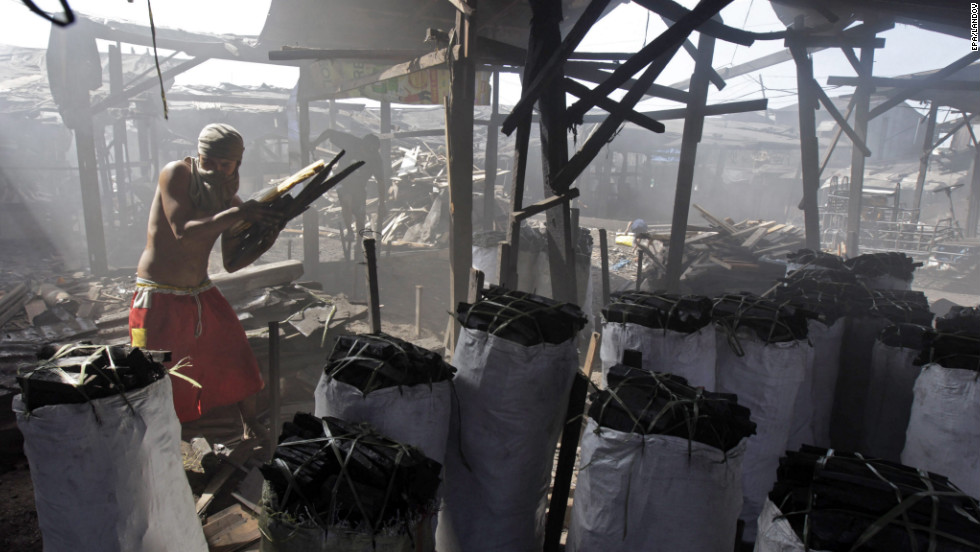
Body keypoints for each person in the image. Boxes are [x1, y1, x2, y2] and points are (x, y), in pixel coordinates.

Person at [128, 123, 284, 425]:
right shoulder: (176, 173)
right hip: (157, 295)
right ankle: (165, 447)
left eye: (224, 164)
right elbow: (182, 232)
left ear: (237, 164)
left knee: (237, 359)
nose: (214, 170)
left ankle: (251, 430)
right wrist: (239, 214)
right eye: (207, 161)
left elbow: (232, 263)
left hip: (200, 292)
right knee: (159, 374)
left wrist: (267, 237)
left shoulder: (228, 198)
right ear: (198, 155)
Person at [313, 128, 387, 259]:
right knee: (346, 201)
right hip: (343, 180)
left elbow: (381, 182)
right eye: (366, 150)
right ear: (362, 145)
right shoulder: (350, 142)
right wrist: (314, 144)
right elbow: (329, 132)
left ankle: (359, 241)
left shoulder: (376, 159)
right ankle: (349, 231)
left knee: (360, 214)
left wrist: (382, 203)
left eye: (371, 152)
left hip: (359, 185)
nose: (367, 154)